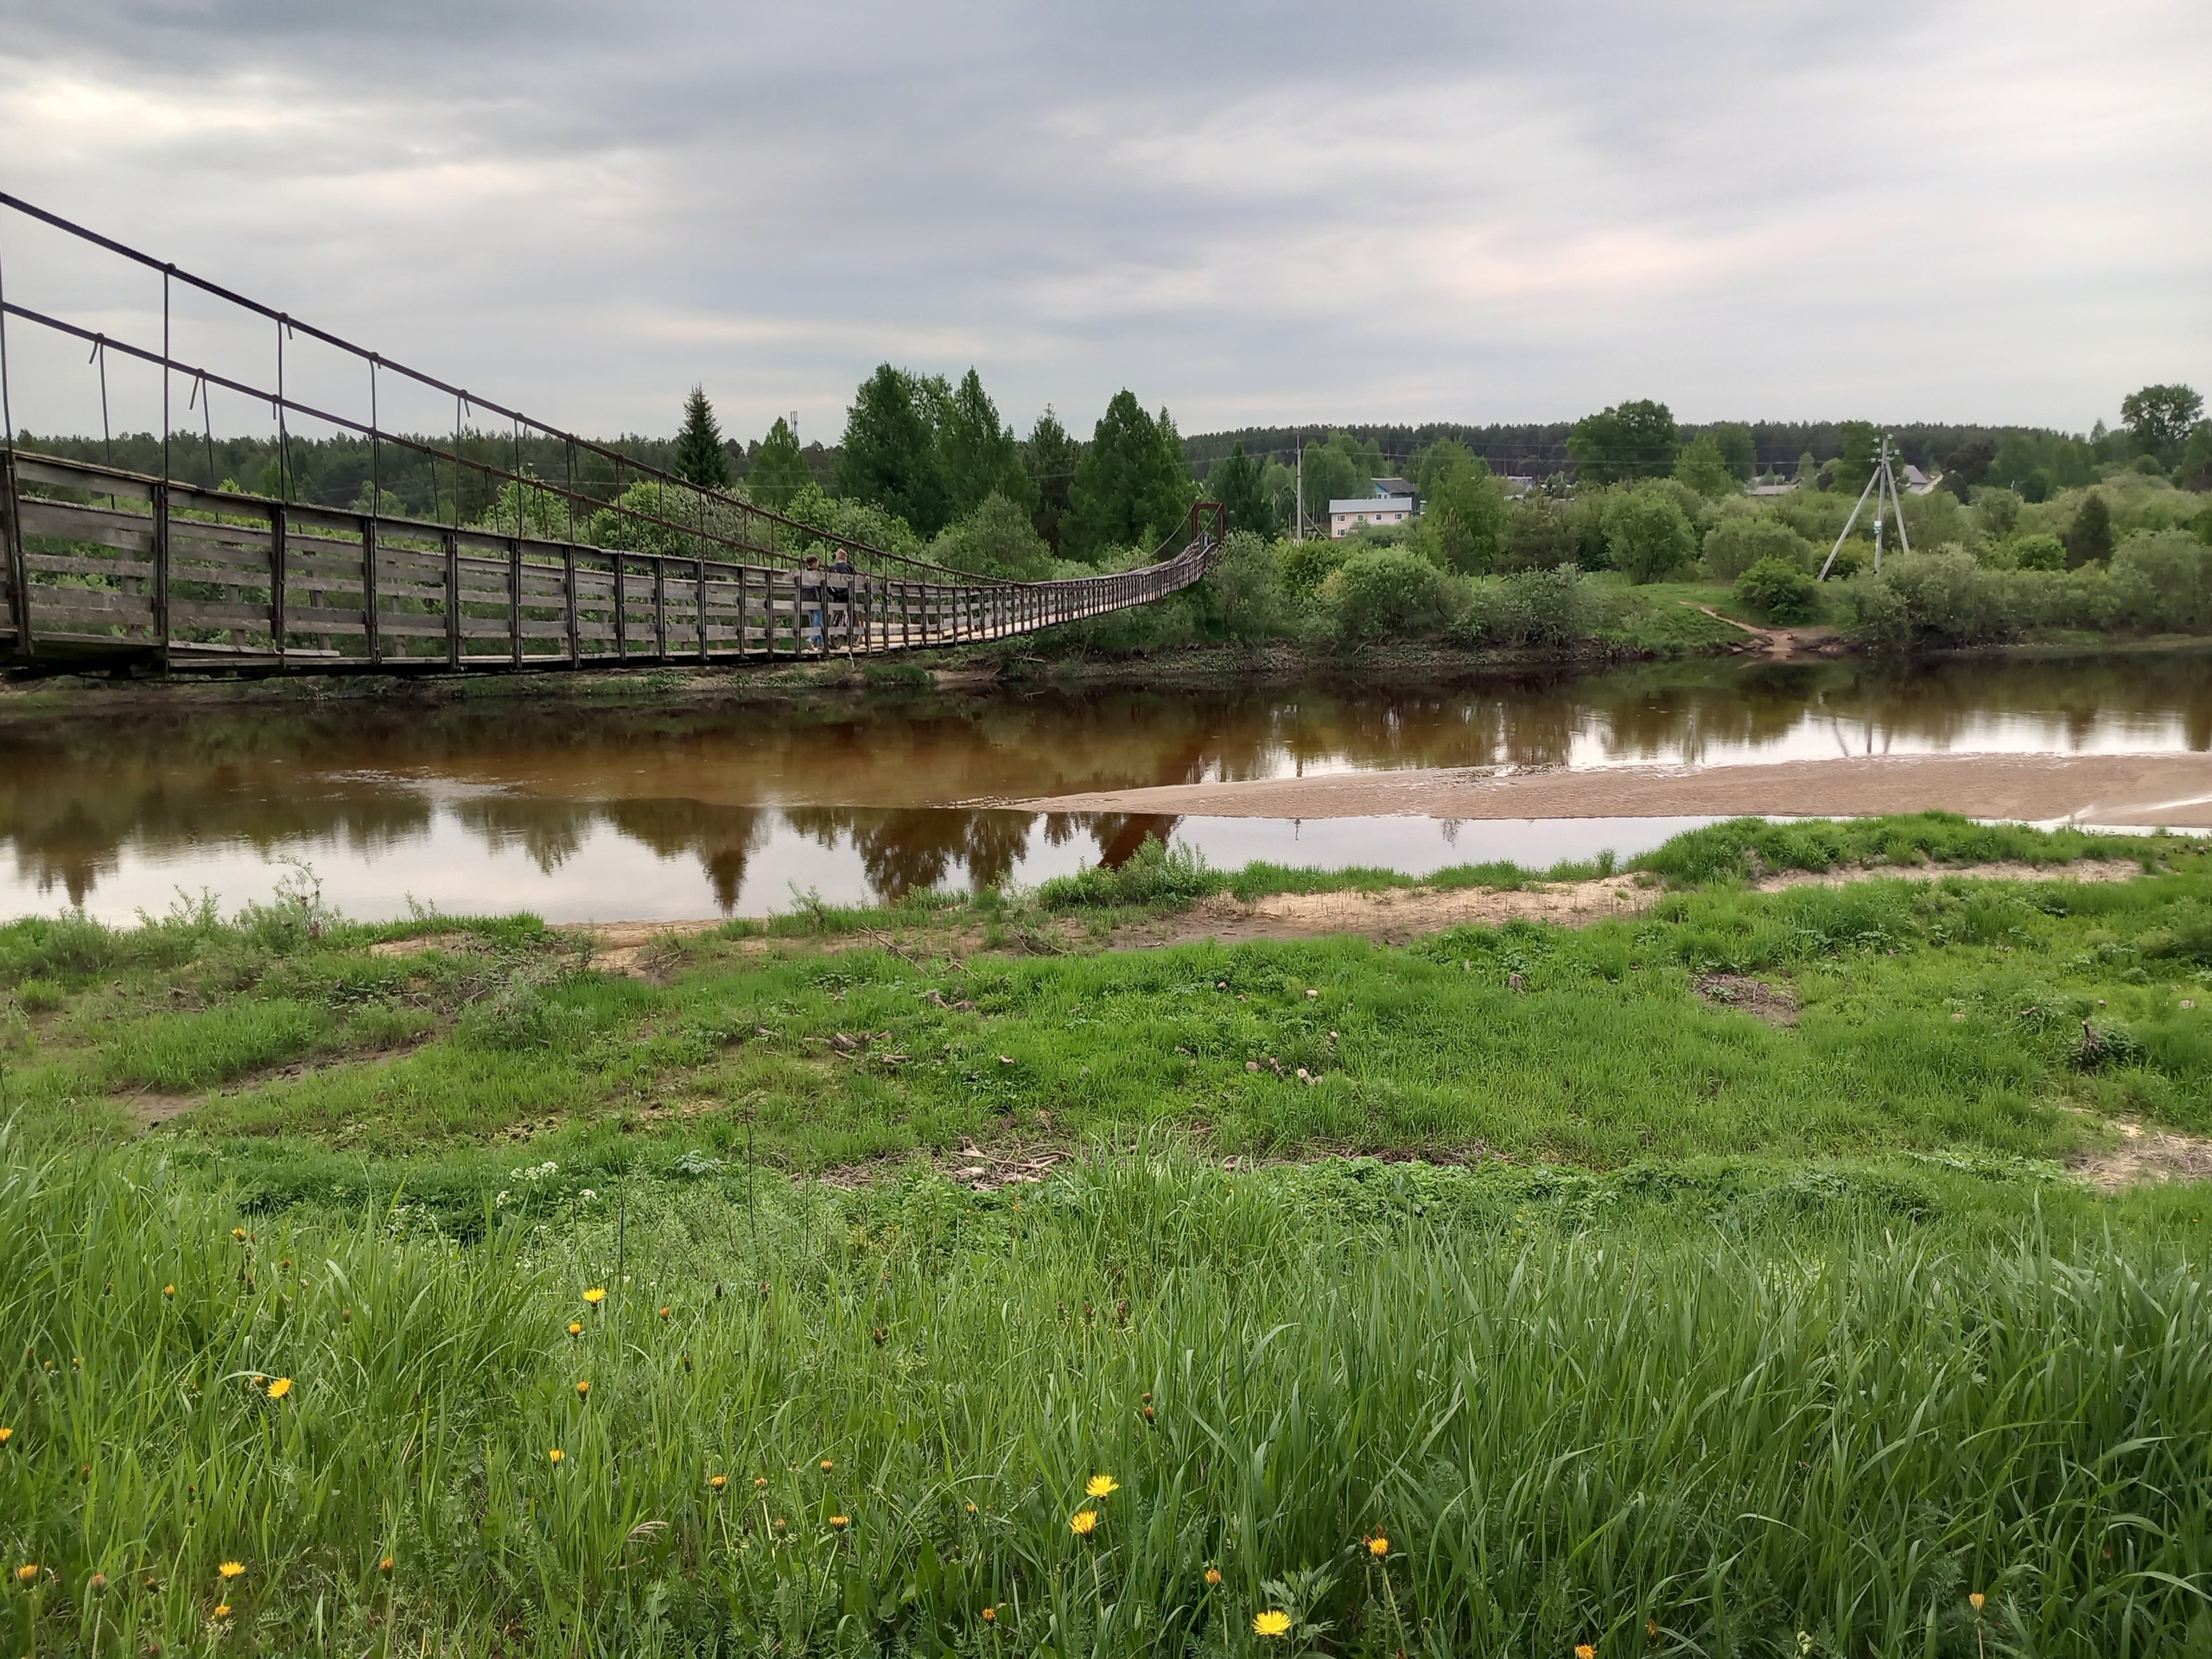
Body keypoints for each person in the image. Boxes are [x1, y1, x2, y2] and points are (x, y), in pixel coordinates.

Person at [826, 552, 858, 649]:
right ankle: (853, 639)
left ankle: (831, 636)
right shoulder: (849, 567)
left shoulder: (831, 568)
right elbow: (856, 580)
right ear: (845, 558)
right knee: (853, 614)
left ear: (837, 557)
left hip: (836, 595)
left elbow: (827, 582)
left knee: (835, 612)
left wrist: (833, 593)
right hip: (848, 595)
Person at [798, 555, 824, 651]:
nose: (818, 564)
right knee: (818, 619)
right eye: (817, 563)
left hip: (805, 598)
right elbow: (820, 587)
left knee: (818, 621)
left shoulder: (804, 573)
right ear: (813, 563)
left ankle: (821, 644)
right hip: (815, 598)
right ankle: (812, 638)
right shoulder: (816, 574)